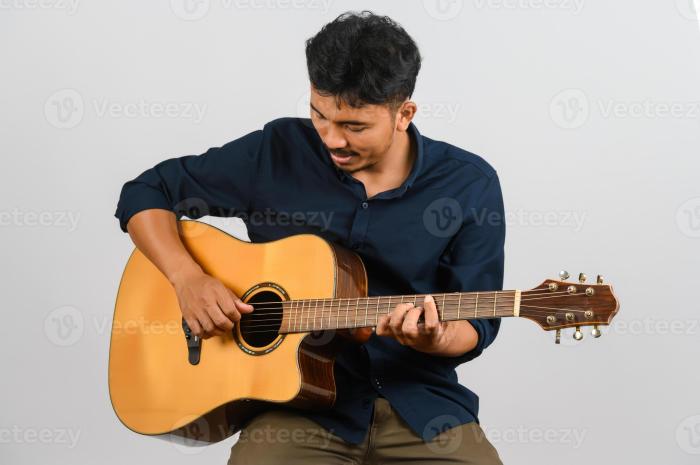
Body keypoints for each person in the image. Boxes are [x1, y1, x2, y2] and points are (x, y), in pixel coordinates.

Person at [114, 10, 505, 465]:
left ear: (404, 114)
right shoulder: (277, 151)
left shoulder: (468, 184)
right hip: (295, 406)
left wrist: (435, 338)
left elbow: (477, 324)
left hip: (419, 402)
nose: (332, 139)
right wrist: (187, 279)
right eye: (320, 115)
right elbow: (145, 192)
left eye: (354, 126)